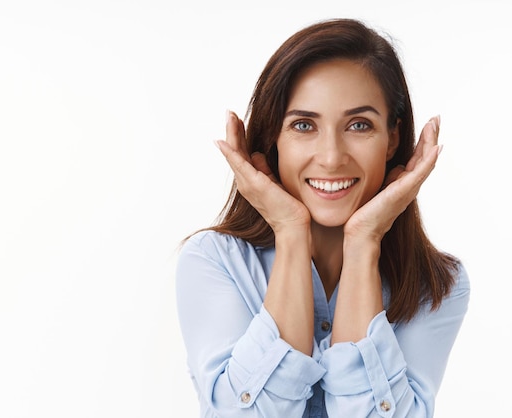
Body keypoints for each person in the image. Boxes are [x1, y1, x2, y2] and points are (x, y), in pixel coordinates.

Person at [175, 18, 470, 418]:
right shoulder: (214, 261)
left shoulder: (436, 286)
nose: (331, 157)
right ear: (273, 138)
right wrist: (290, 233)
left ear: (393, 139)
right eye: (303, 125)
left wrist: (365, 240)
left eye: (359, 125)